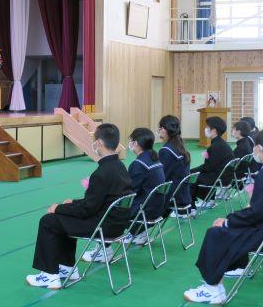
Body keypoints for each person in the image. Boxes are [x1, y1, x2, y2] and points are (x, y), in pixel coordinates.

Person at [183, 128, 263, 304]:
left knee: (216, 232)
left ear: (260, 148)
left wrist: (228, 221)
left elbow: (256, 213)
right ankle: (232, 269)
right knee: (228, 228)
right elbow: (260, 210)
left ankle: (212, 288)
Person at [26, 124, 133, 289]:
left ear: (99, 143)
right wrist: (73, 203)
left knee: (48, 221)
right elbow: (98, 202)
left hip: (102, 226)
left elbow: (86, 210)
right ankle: (67, 268)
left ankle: (49, 276)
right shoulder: (120, 166)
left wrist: (58, 208)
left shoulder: (102, 173)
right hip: (117, 225)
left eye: (94, 141)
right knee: (65, 218)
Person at [126, 128, 165, 244]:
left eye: (130, 140)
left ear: (135, 143)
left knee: (108, 204)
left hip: (143, 212)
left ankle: (106, 247)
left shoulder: (138, 164)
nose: (129, 143)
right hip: (157, 209)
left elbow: (130, 192)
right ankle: (139, 232)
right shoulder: (155, 159)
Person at [190, 116, 234, 211]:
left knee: (191, 178)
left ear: (214, 130)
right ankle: (209, 200)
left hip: (220, 178)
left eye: (207, 127)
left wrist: (192, 171)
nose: (205, 129)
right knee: (198, 174)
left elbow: (208, 168)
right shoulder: (220, 143)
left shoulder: (216, 146)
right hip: (224, 176)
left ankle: (192, 207)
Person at [157, 115, 191, 218]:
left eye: (160, 128)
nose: (159, 131)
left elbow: (161, 177)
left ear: (164, 129)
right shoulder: (180, 146)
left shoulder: (166, 151)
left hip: (173, 196)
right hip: (183, 194)